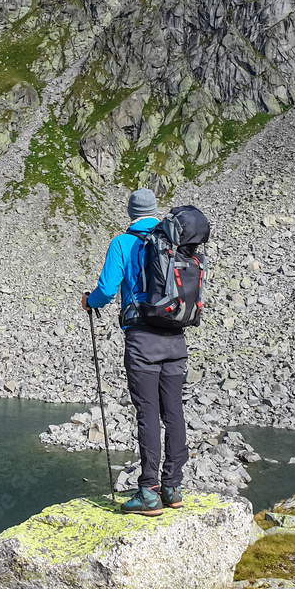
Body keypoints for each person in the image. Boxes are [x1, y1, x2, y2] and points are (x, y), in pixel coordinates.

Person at [81, 187, 188, 516]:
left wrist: (89, 301)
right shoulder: (174, 241)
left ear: (131, 213)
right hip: (175, 337)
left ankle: (148, 492)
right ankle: (173, 487)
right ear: (155, 210)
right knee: (174, 412)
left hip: (142, 341)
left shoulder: (122, 243)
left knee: (147, 415)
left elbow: (107, 290)